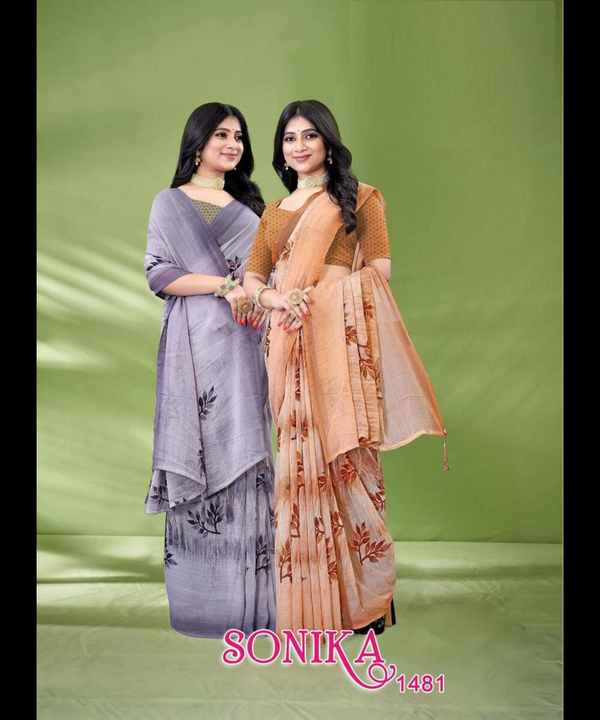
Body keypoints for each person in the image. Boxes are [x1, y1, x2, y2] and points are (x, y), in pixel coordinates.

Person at [243, 99, 448, 637]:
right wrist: (279, 300)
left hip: (337, 346)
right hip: (288, 349)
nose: (299, 146)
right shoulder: (274, 213)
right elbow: (253, 280)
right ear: (281, 150)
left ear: (328, 143)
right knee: (298, 468)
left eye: (310, 136)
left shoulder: (360, 200)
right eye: (289, 138)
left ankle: (369, 600)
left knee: (350, 461)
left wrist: (323, 294)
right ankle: (314, 603)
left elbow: (380, 269)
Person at [143, 102, 275, 638]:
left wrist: (260, 295)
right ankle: (201, 606)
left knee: (246, 456)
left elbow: (268, 275)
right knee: (198, 452)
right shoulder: (169, 203)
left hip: (245, 345)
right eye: (221, 135)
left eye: (238, 136)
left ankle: (252, 605)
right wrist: (224, 285)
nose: (232, 144)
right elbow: (159, 274)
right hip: (193, 346)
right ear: (197, 143)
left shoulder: (250, 208)